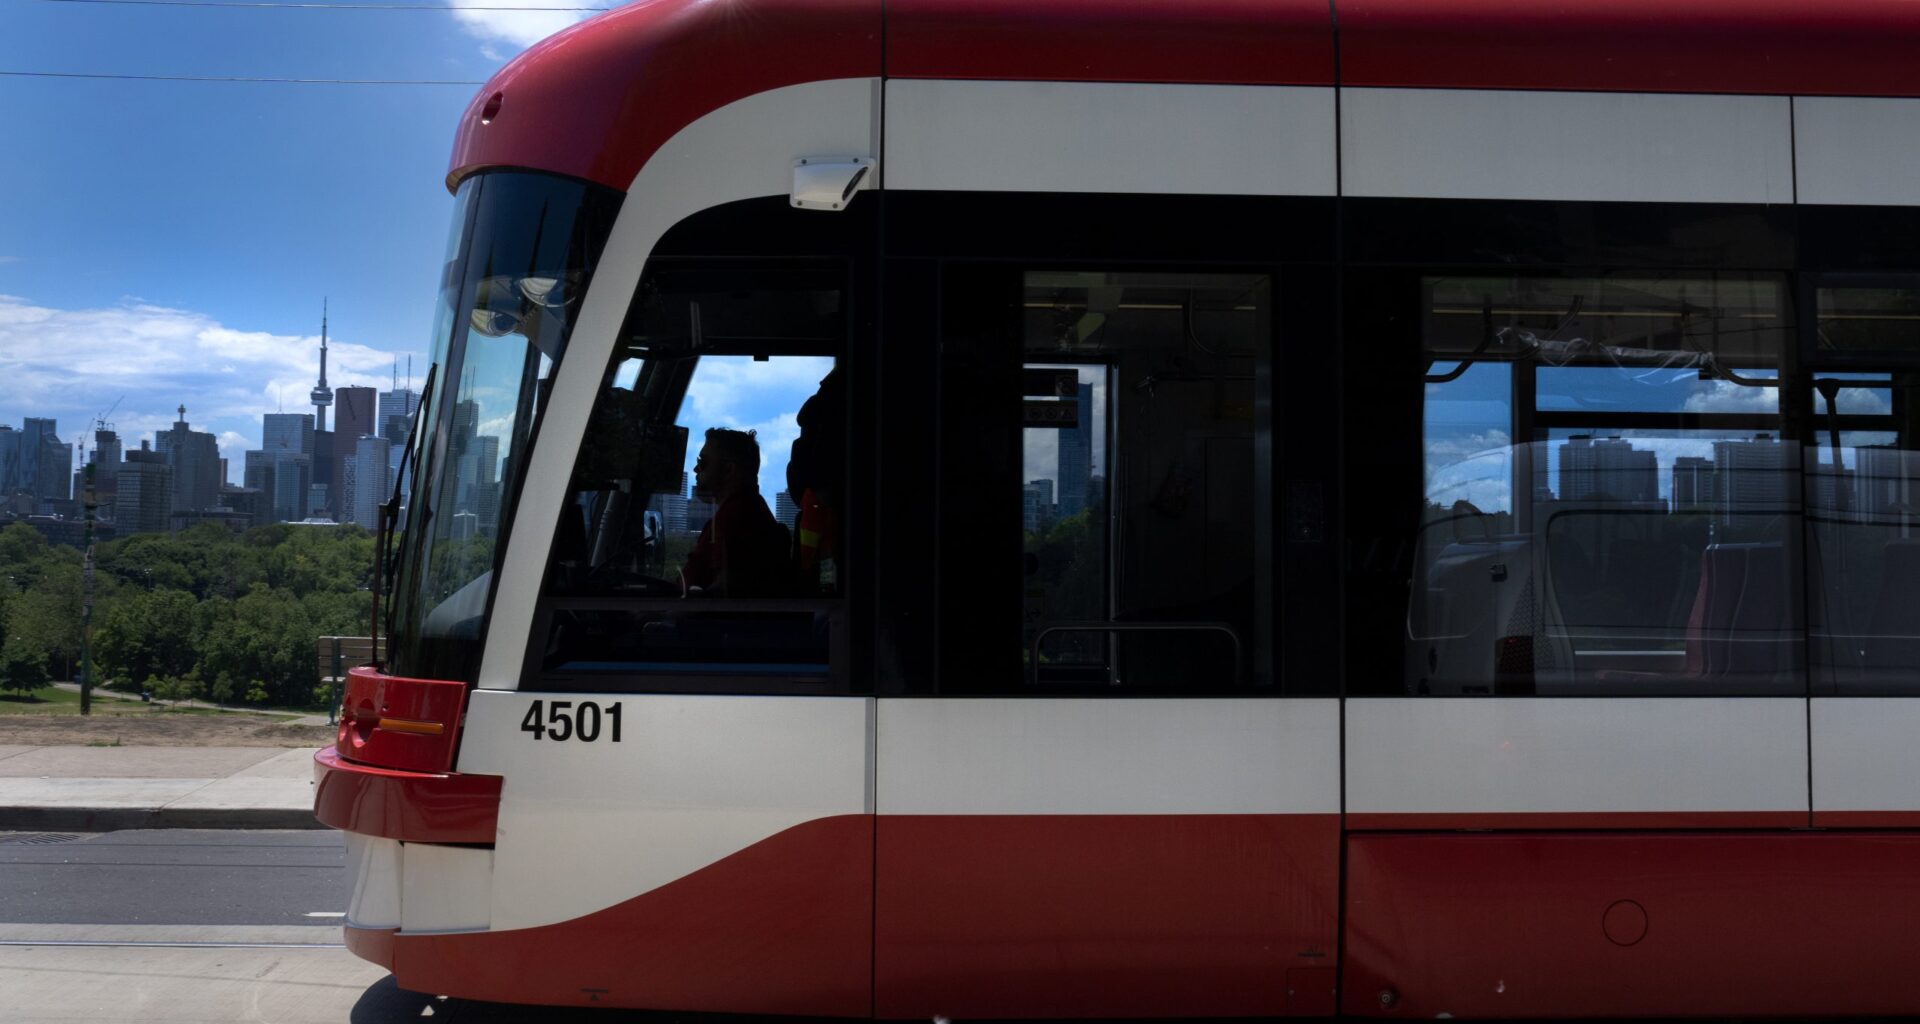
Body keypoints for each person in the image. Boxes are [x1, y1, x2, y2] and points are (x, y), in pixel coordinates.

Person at [680, 428, 793, 597]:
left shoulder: (733, 521)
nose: (696, 469)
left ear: (728, 470)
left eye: (703, 462)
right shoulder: (751, 512)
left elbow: (723, 591)